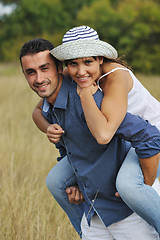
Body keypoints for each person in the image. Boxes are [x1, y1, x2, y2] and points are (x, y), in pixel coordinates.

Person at [20, 38, 160, 239]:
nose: (39, 78)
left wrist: (146, 183)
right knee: (55, 180)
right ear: (67, 66)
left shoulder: (104, 89)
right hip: (97, 211)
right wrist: (48, 128)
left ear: (58, 68)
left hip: (153, 136)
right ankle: (86, 226)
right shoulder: (55, 99)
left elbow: (146, 134)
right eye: (30, 72)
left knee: (129, 186)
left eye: (44, 68)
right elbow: (42, 116)